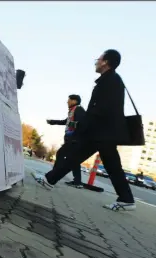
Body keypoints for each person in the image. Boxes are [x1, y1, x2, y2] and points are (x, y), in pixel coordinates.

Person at [40, 49, 136, 211]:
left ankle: (50, 180)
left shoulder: (110, 80)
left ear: (105, 62)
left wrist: (84, 126)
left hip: (101, 132)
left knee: (77, 156)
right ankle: (126, 198)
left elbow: (99, 108)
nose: (96, 62)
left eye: (98, 59)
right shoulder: (112, 80)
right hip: (104, 132)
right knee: (107, 165)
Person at [46, 94, 86, 188]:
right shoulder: (72, 111)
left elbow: (82, 123)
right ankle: (77, 182)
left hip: (74, 139)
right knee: (74, 160)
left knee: (60, 154)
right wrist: (53, 122)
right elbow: (66, 121)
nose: (67, 102)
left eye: (69, 100)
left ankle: (53, 175)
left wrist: (76, 137)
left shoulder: (79, 109)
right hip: (71, 139)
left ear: (74, 101)